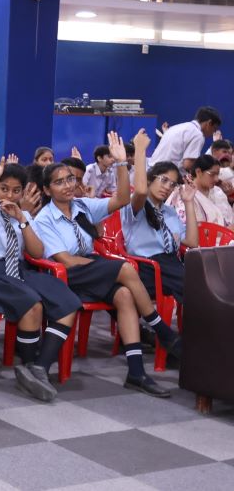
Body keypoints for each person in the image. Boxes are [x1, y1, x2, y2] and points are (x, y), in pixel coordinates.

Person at [34, 132, 180, 398]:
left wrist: (122, 164)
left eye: (70, 179)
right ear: (46, 190)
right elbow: (65, 260)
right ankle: (162, 330)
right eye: (59, 182)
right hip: (67, 275)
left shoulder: (82, 206)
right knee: (125, 268)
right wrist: (101, 266)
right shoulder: (44, 219)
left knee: (124, 295)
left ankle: (136, 372)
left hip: (90, 270)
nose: (67, 185)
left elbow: (121, 199)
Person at [0, 152, 80, 402]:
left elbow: (37, 252)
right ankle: (29, 364)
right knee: (32, 304)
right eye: (4, 189)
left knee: (68, 301)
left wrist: (22, 219)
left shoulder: (23, 214)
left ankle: (39, 367)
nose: (9, 195)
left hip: (18, 270)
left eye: (16, 190)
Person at [123, 130, 198, 306]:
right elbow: (140, 191)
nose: (167, 187)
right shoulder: (136, 206)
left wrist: (189, 202)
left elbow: (192, 242)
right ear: (150, 180)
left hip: (170, 264)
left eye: (172, 184)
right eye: (163, 180)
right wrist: (140, 150)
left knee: (204, 281)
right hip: (146, 267)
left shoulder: (170, 212)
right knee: (198, 287)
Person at [167, 155, 234, 230]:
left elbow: (230, 220)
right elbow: (181, 227)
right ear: (198, 172)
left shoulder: (218, 192)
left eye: (217, 174)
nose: (216, 179)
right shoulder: (183, 193)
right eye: (212, 174)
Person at [149, 106, 222, 172]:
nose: (213, 133)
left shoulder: (176, 127)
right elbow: (188, 166)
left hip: (151, 172)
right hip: (163, 175)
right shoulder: (198, 135)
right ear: (209, 123)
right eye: (214, 128)